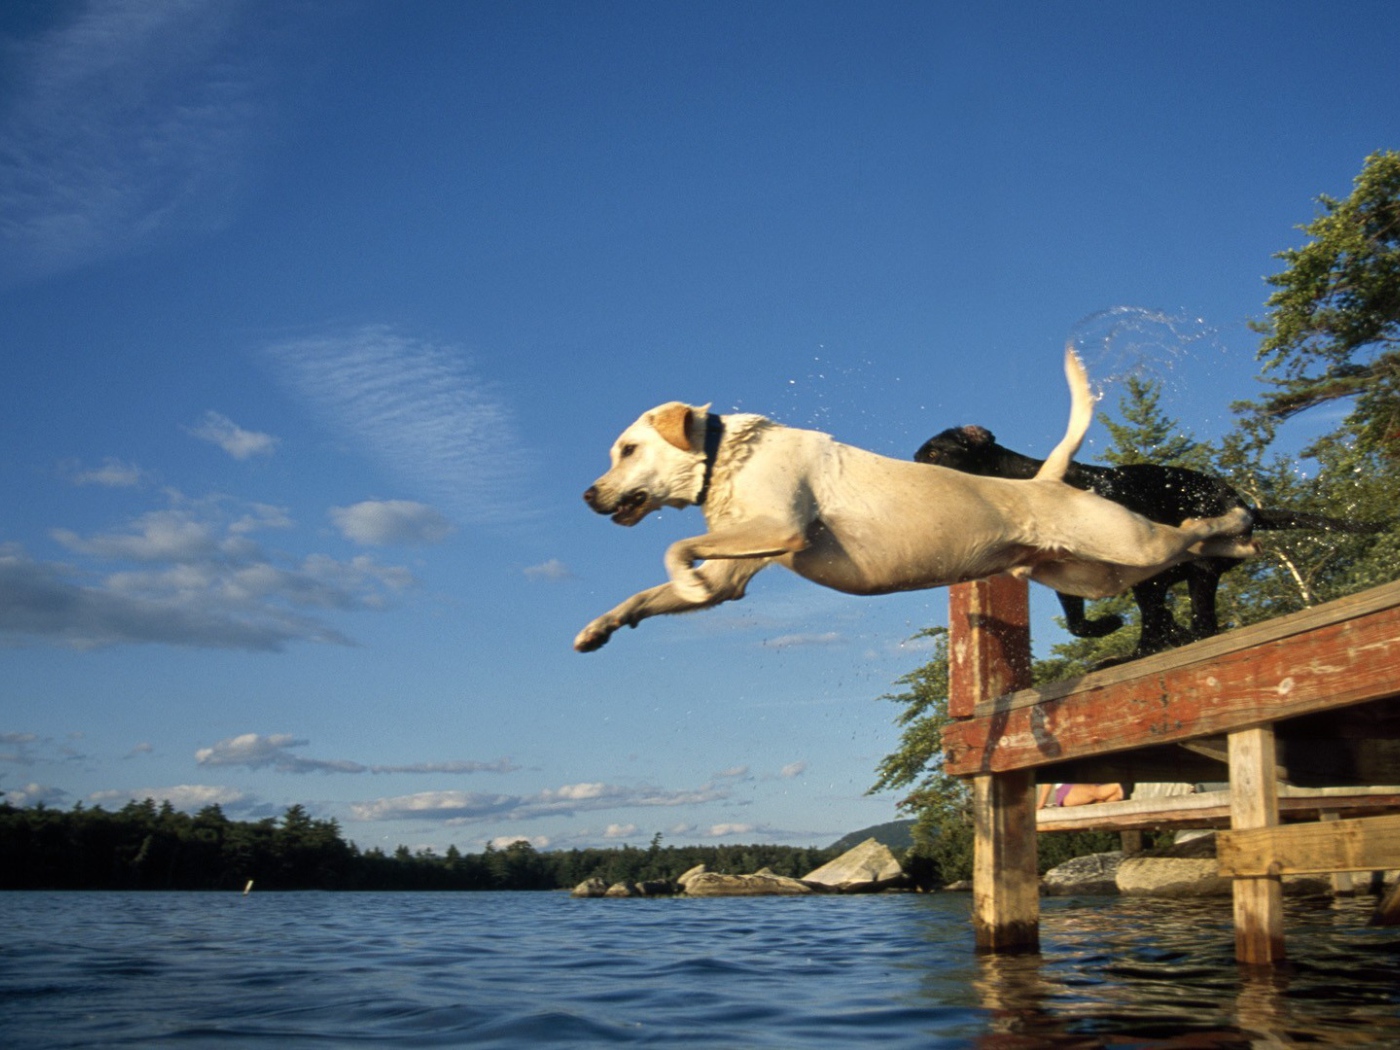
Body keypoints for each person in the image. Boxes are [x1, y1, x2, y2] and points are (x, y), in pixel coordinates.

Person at [1037, 782, 1124, 809]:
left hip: (1090, 787)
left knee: (1117, 794)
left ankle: (1099, 804)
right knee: (1116, 787)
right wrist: (1040, 804)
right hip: (1068, 790)